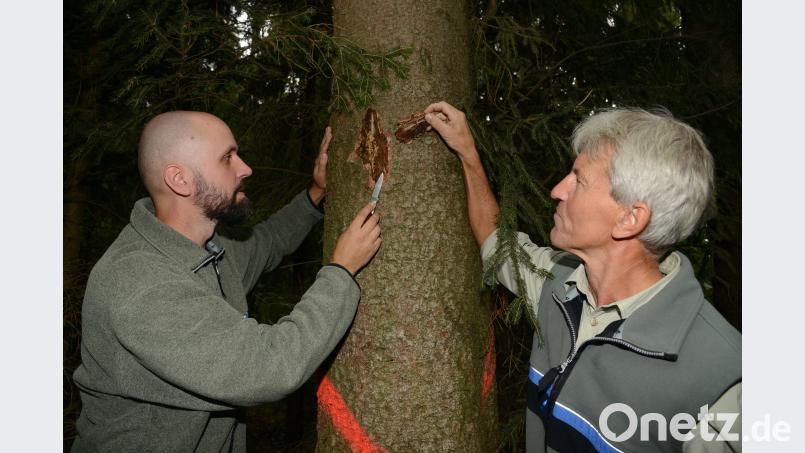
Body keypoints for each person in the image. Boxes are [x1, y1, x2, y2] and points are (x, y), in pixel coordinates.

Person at [424, 102, 741, 452]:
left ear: (629, 219)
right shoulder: (558, 287)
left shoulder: (724, 379)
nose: (558, 190)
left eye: (579, 180)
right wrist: (468, 152)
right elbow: (496, 241)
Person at [71, 111, 381, 452]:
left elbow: (268, 242)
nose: (245, 168)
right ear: (181, 180)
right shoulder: (140, 283)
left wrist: (315, 194)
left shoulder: (209, 247)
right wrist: (340, 272)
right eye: (227, 158)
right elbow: (270, 367)